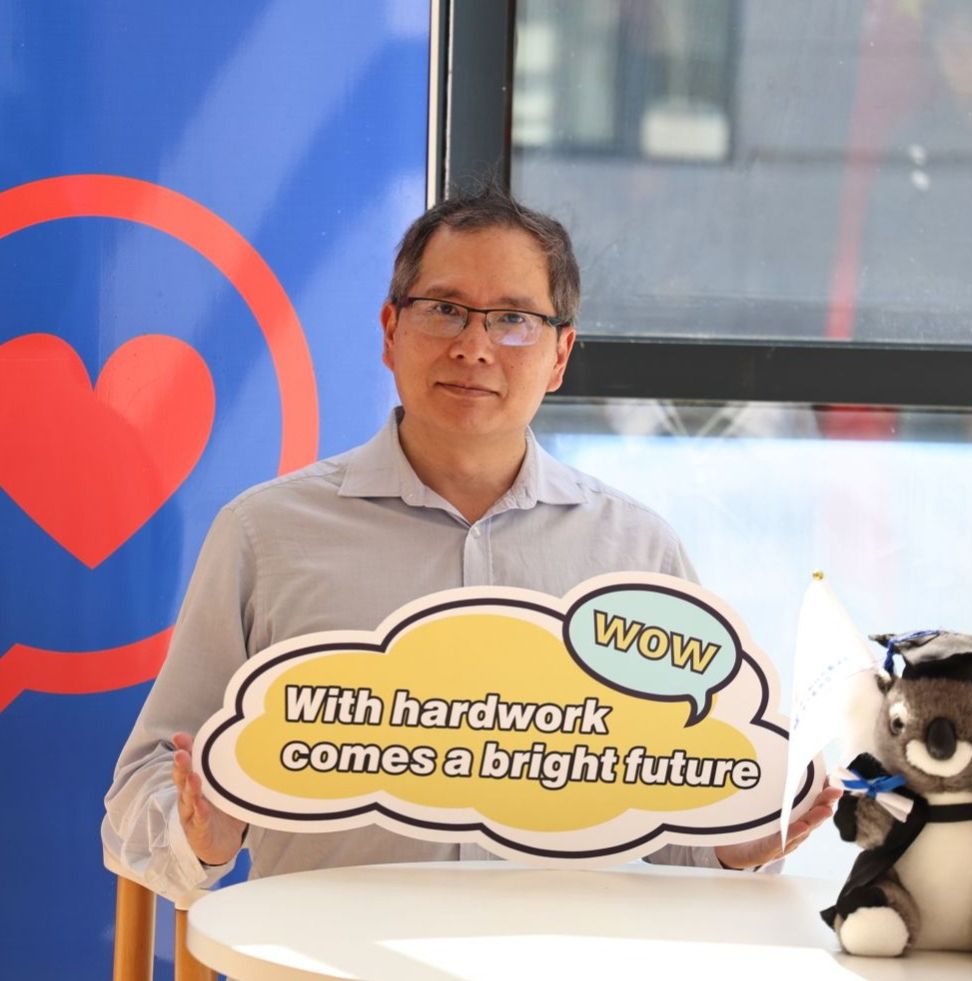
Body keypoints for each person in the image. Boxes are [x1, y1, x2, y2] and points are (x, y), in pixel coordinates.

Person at [103, 184, 837, 901]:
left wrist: (731, 848)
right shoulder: (265, 534)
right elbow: (140, 796)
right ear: (390, 330)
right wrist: (201, 832)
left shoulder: (635, 551)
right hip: (315, 959)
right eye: (445, 310)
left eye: (514, 319)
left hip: (558, 958)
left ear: (560, 354)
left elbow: (674, 815)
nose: (474, 346)